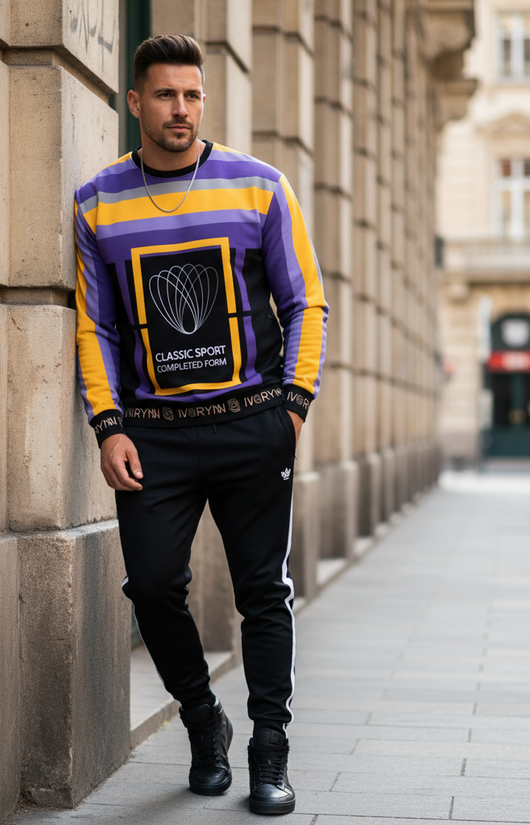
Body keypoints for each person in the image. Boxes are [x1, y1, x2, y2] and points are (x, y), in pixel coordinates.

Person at [75, 33, 327, 816]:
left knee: (263, 592)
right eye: (164, 95)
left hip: (252, 425)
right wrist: (108, 423)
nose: (180, 109)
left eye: (191, 95)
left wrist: (293, 407)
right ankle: (201, 717)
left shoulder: (260, 186)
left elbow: (305, 300)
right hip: (152, 434)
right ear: (134, 103)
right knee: (152, 585)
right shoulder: (96, 201)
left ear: (203, 101)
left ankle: (269, 749)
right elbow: (96, 326)